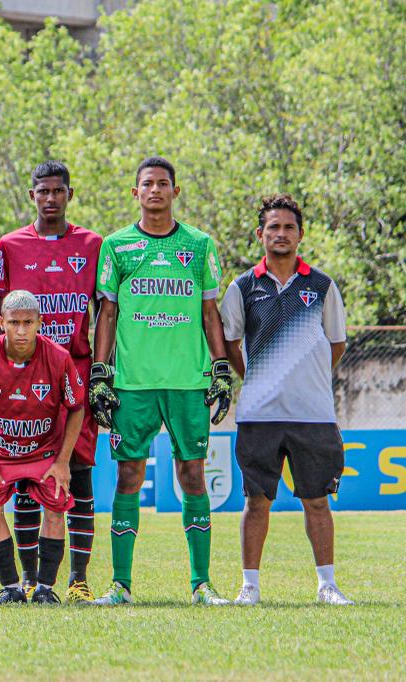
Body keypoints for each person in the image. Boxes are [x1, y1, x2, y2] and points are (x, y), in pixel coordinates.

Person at [91, 156, 232, 606]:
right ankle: (121, 585)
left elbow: (211, 312)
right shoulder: (117, 246)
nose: (155, 190)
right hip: (134, 384)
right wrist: (100, 372)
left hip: (188, 382)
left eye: (163, 183)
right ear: (135, 193)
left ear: (175, 191)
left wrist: (222, 366)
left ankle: (201, 584)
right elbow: (107, 313)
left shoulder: (199, 245)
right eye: (147, 184)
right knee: (128, 474)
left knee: (192, 473)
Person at [221, 194, 353, 606]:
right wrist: (261, 380)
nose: (281, 234)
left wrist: (302, 379)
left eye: (288, 227)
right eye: (273, 227)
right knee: (256, 501)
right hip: (259, 414)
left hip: (313, 413)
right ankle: (250, 587)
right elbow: (229, 345)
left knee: (316, 500)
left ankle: (327, 586)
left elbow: (337, 345)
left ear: (300, 234)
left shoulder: (322, 285)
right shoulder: (242, 286)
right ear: (260, 234)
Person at [0, 161, 102, 601]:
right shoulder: (10, 245)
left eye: (58, 191)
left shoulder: (93, 244)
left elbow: (106, 312)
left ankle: (78, 579)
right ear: (31, 196)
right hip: (20, 376)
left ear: (69, 195)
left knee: (78, 473)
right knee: (26, 480)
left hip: (73, 372)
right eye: (43, 191)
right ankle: (32, 581)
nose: (50, 198)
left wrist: (102, 369)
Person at [0, 290, 85, 604]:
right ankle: (12, 587)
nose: (21, 331)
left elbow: (77, 408)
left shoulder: (58, 358)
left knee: (57, 506)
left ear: (39, 323)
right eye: (14, 323)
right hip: (0, 452)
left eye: (28, 323)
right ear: (1, 322)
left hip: (44, 452)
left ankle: (46, 588)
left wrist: (62, 462)